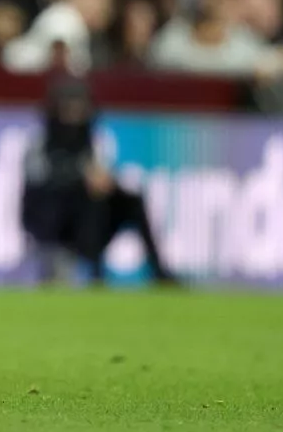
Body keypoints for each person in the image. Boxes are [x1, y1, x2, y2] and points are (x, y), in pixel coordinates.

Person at [21, 73, 177, 286]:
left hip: (91, 218)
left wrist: (107, 184)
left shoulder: (93, 140)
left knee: (130, 200)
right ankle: (96, 272)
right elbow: (39, 184)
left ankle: (159, 272)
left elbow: (101, 173)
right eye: (69, 109)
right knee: (88, 198)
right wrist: (81, 178)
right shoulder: (39, 142)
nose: (75, 115)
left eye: (79, 109)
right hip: (52, 220)